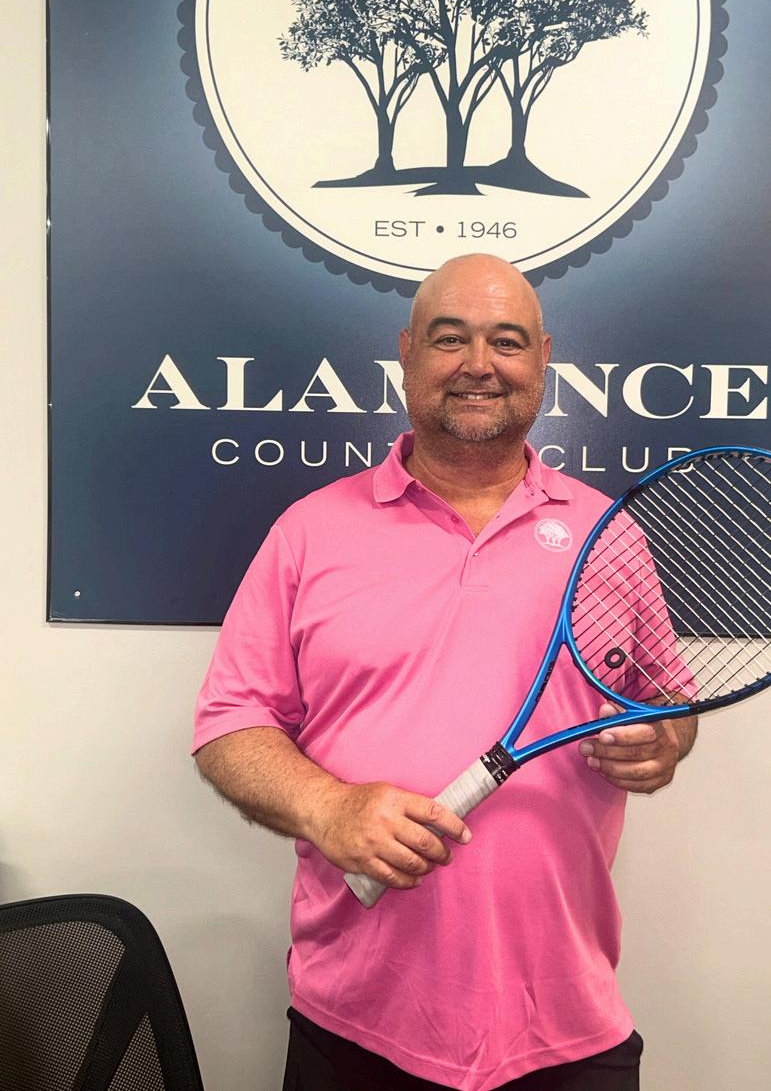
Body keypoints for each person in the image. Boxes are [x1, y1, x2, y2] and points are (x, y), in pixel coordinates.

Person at [193, 254, 697, 1091]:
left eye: (507, 341)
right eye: (450, 338)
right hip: (357, 1024)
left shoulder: (608, 532)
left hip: (566, 1023)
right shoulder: (309, 532)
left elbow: (666, 696)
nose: (478, 364)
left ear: (543, 359)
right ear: (407, 353)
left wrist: (666, 739)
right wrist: (329, 806)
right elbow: (228, 726)